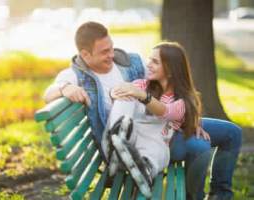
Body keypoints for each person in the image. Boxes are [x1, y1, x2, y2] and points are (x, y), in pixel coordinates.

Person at [43, 21, 243, 200]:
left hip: (163, 119)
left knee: (232, 132)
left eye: (111, 47)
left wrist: (189, 120)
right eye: (104, 52)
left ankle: (220, 194)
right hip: (134, 133)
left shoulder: (130, 61)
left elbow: (168, 93)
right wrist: (64, 88)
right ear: (86, 54)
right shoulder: (75, 75)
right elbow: (48, 93)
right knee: (200, 146)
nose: (111, 55)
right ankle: (194, 195)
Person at [102, 41, 200, 197]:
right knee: (126, 96)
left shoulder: (182, 101)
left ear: (170, 69)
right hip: (130, 134)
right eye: (149, 60)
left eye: (155, 62)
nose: (148, 65)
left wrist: (142, 96)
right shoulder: (141, 84)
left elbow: (166, 112)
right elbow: (121, 92)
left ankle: (144, 168)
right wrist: (115, 93)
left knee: (156, 149)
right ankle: (118, 133)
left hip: (153, 143)